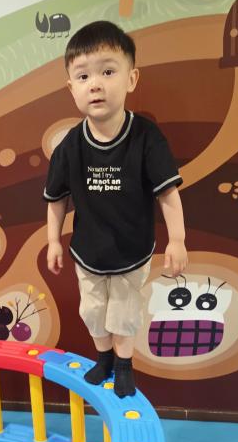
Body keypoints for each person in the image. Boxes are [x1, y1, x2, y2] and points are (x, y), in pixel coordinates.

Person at [44, 21, 187, 397]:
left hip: (131, 250)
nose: (95, 84)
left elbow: (168, 192)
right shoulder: (70, 146)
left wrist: (177, 240)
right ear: (71, 88)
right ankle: (104, 358)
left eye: (108, 72)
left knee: (124, 311)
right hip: (88, 251)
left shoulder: (146, 137)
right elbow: (56, 198)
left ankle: (124, 365)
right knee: (93, 311)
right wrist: (53, 240)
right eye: (83, 76)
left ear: (131, 79)